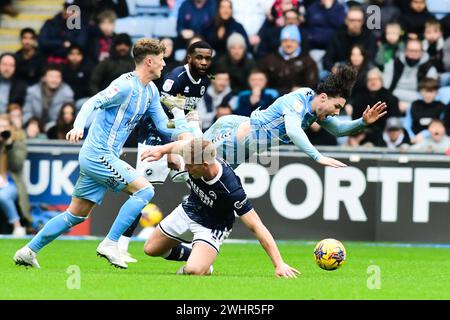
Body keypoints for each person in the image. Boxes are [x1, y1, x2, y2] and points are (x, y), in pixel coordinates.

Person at [13, 38, 192, 269]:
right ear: (149, 61)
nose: (164, 64)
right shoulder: (125, 85)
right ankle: (111, 243)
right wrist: (78, 126)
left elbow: (162, 125)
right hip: (97, 154)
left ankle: (28, 251)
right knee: (144, 189)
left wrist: (186, 126)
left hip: (103, 158)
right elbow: (92, 103)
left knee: (75, 215)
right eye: (161, 59)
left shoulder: (150, 93)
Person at [143, 66, 387, 169]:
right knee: (191, 162)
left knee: (202, 178)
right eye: (336, 106)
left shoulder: (315, 110)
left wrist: (363, 123)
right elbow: (292, 130)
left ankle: (183, 124)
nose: (336, 112)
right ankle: (175, 118)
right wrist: (317, 156)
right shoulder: (297, 101)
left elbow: (338, 130)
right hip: (234, 138)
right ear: (323, 97)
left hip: (242, 142)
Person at [143, 138, 300, 278]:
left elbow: (256, 226)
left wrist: (279, 264)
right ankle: (197, 256)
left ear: (205, 165)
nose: (187, 169)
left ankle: (202, 264)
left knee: (194, 271)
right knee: (150, 249)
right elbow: (180, 143)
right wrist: (161, 150)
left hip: (213, 226)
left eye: (190, 166)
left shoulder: (230, 188)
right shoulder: (195, 154)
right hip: (188, 210)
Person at [258, 25, 318, 95]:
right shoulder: (269, 59)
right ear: (281, 42)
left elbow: (312, 86)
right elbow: (258, 79)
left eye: (293, 41)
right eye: (285, 41)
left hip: (297, 99)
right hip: (272, 98)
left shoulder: (308, 61)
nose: (289, 44)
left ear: (298, 43)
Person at [22, 64, 74, 131]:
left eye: (58, 77)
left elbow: (69, 116)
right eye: (51, 76)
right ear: (43, 78)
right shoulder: (32, 92)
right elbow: (27, 112)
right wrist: (32, 122)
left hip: (57, 127)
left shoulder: (67, 93)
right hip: (35, 124)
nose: (54, 80)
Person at [0, 113, 28, 236]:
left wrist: (8, 146)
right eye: (0, 126)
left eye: (5, 126)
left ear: (11, 127)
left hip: (10, 183)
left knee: (3, 196)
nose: (2, 129)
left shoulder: (18, 143)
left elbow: (17, 165)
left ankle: (17, 226)